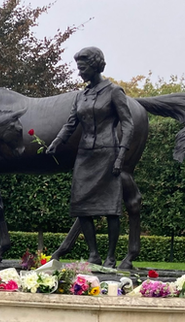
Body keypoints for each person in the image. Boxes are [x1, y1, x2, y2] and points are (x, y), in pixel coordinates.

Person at [46, 46, 134, 268]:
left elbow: (128, 123)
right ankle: (93, 254)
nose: (79, 73)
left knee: (110, 207)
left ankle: (110, 256)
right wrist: (57, 141)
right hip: (85, 155)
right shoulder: (81, 96)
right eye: (78, 68)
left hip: (108, 153)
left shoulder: (114, 92)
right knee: (81, 204)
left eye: (83, 68)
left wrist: (121, 154)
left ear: (95, 66)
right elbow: (71, 123)